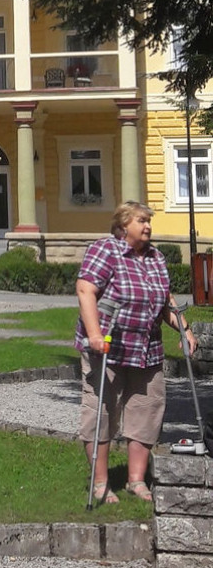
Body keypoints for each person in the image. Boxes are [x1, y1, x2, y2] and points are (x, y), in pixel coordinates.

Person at [75, 201, 196, 503]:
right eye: (142, 220)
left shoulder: (155, 257)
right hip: (108, 348)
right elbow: (85, 289)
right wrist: (93, 334)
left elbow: (165, 299)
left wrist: (184, 329)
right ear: (122, 225)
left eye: (149, 221)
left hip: (147, 348)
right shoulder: (106, 249)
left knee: (146, 411)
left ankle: (136, 480)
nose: (148, 226)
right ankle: (100, 484)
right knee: (102, 412)